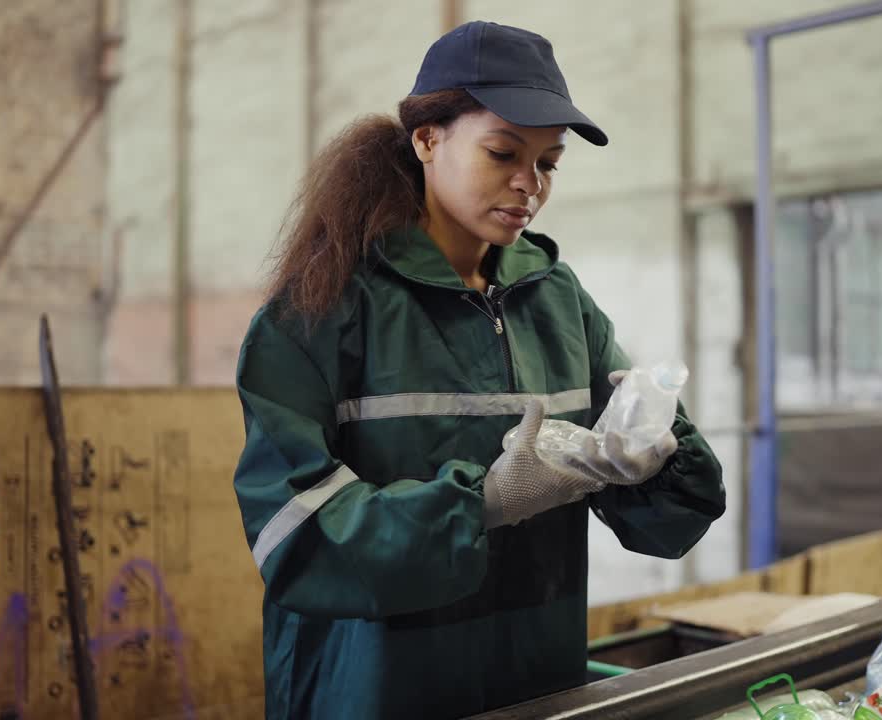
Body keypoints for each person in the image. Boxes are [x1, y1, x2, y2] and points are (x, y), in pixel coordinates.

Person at [233, 20, 726, 720]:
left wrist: (651, 453)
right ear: (427, 140)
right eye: (503, 153)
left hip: (537, 680)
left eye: (549, 163)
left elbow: (668, 523)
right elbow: (294, 538)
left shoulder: (557, 300)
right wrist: (485, 503)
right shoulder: (324, 309)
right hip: (373, 691)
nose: (530, 184)